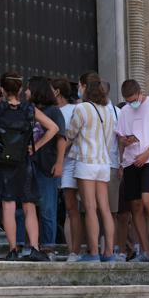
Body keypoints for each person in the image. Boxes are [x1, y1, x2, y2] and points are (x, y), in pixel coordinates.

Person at [0, 71, 58, 261]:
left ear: (1, 89)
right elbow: (54, 128)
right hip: (24, 162)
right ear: (19, 89)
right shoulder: (29, 109)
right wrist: (37, 146)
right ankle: (34, 248)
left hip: (4, 164)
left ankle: (13, 249)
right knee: (29, 207)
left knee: (8, 206)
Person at [116, 79, 149, 262]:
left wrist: (147, 154)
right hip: (131, 161)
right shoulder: (124, 111)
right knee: (135, 206)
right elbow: (120, 137)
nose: (132, 104)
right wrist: (126, 141)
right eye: (128, 101)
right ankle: (145, 250)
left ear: (140, 92)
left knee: (148, 200)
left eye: (133, 100)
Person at [67, 73, 117, 262]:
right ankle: (110, 252)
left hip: (86, 161)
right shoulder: (109, 112)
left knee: (89, 208)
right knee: (104, 208)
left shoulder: (82, 108)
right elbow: (111, 139)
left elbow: (71, 133)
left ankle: (94, 252)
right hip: (103, 162)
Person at [26, 76, 67, 259]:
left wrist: (59, 163)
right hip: (28, 164)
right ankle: (29, 244)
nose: (25, 92)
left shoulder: (54, 112)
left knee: (47, 208)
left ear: (35, 90)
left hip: (46, 165)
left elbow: (61, 138)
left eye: (28, 88)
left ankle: (48, 247)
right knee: (26, 207)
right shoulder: (27, 110)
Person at [51, 77, 82, 262]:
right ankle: (72, 250)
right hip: (58, 163)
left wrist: (61, 155)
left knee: (84, 208)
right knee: (70, 208)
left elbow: (73, 134)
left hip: (74, 161)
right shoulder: (50, 111)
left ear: (57, 91)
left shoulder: (75, 109)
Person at [101, 81, 123, 257]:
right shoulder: (86, 108)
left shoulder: (117, 112)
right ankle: (98, 246)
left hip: (111, 165)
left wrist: (121, 163)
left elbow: (122, 140)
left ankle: (111, 247)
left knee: (111, 210)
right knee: (92, 210)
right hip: (96, 164)